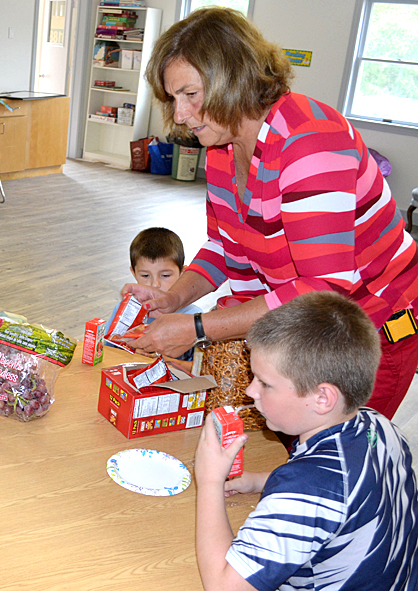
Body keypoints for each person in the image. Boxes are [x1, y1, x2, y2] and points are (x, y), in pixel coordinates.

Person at [122, 7, 418, 419]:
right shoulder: (223, 149)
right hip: (298, 326)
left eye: (190, 95)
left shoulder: (310, 140)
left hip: (367, 330)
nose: (180, 115)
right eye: (173, 99)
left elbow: (323, 287)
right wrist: (175, 298)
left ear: (234, 78)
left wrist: (198, 328)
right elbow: (222, 246)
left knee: (334, 456)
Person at [195, 291, 418, 591]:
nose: (250, 391)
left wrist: (209, 480)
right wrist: (263, 481)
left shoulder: (308, 490)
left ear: (322, 398)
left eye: (265, 383)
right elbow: (349, 487)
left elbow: (223, 586)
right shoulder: (378, 425)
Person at [104, 227, 200, 364]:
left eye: (165, 275)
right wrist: (129, 352)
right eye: (145, 275)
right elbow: (107, 351)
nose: (155, 284)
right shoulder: (124, 312)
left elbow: (199, 368)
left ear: (183, 273)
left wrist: (163, 361)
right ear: (133, 273)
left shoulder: (194, 317)